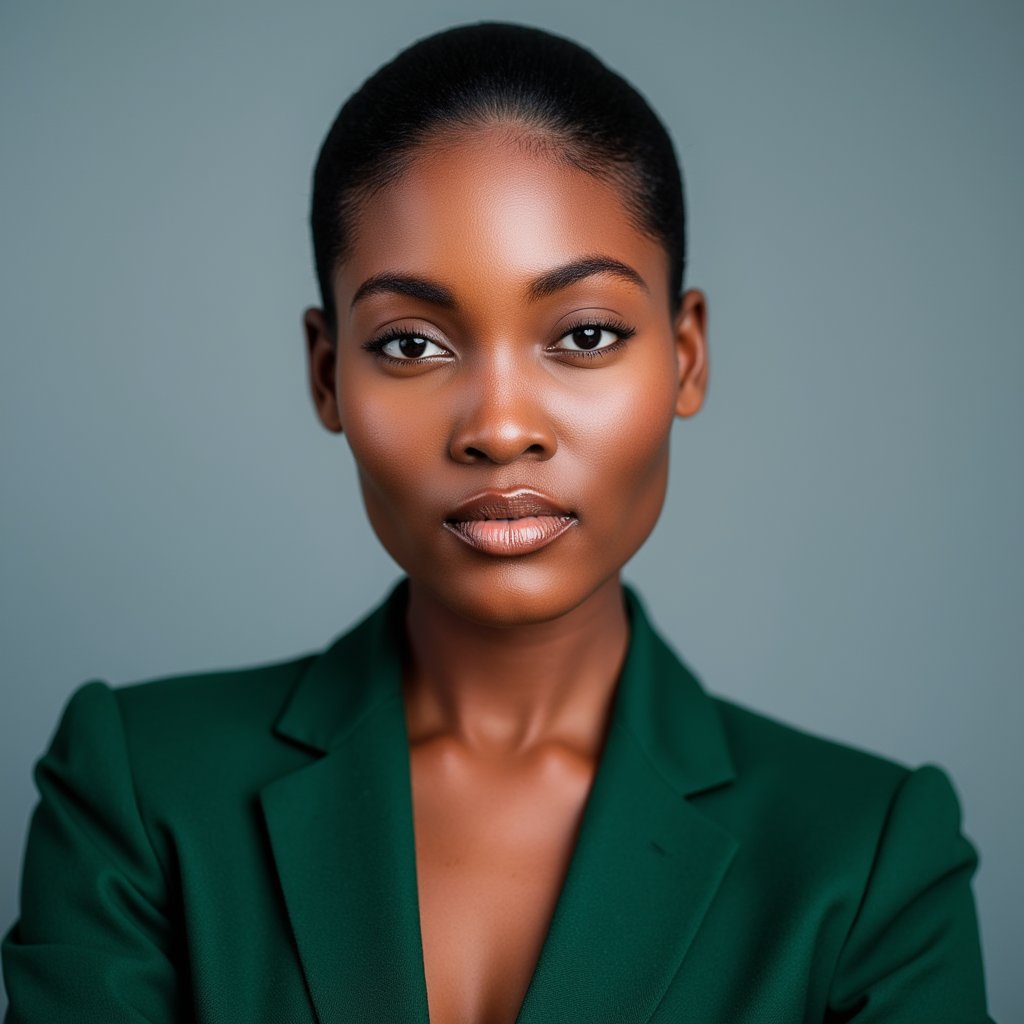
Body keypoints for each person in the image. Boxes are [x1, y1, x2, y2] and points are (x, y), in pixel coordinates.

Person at [1, 21, 992, 1024]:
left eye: (586, 334)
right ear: (325, 371)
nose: (500, 427)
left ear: (685, 356)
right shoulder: (139, 792)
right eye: (413, 344)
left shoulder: (869, 856)